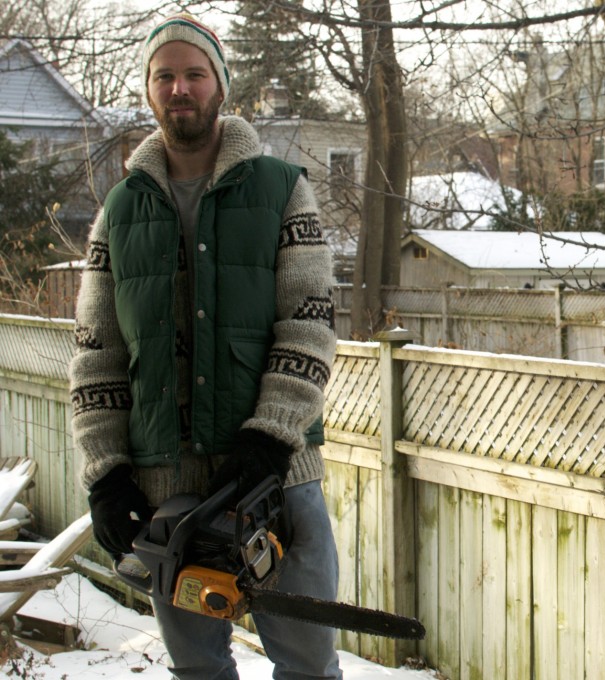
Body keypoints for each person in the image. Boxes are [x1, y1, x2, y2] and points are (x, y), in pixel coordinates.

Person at [68, 13, 343, 680]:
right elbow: (96, 351)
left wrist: (270, 438)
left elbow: (309, 323)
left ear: (220, 86)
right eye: (165, 76)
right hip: (169, 493)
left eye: (195, 73)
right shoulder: (120, 210)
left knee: (308, 666)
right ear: (150, 90)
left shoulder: (282, 190)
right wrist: (105, 471)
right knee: (198, 672)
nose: (180, 88)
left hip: (276, 480)